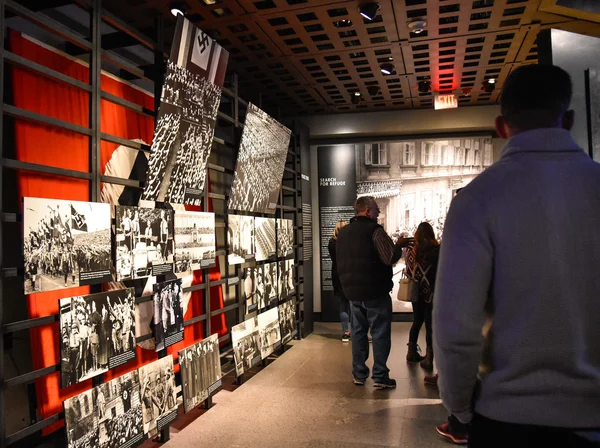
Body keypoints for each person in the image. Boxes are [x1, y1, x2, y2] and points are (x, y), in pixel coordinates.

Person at [433, 64, 600, 447]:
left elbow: (455, 327)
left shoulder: (477, 198)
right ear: (569, 119)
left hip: (507, 417)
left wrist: (460, 408)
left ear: (500, 125)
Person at [336, 196, 413, 389]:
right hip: (375, 292)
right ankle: (380, 375)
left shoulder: (343, 233)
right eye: (376, 209)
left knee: (358, 334)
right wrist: (399, 245)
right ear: (368, 210)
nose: (379, 212)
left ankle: (359, 374)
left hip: (353, 293)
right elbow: (389, 258)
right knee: (379, 334)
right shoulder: (375, 231)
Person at [405, 222, 440, 371]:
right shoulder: (436, 249)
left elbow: (407, 271)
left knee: (417, 321)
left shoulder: (411, 250)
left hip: (416, 292)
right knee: (430, 325)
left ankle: (411, 351)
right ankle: (429, 357)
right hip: (432, 292)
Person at [328, 220, 350, 342]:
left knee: (343, 304)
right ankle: (358, 332)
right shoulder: (350, 243)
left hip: (337, 274)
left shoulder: (332, 243)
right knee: (355, 306)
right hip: (350, 274)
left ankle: (345, 332)